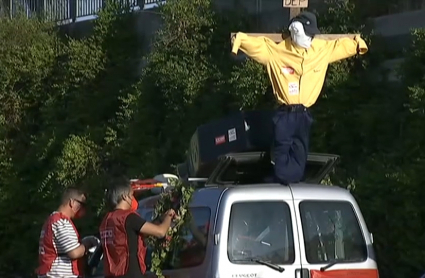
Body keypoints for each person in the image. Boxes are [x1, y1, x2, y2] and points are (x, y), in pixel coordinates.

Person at [231, 11, 368, 184]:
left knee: (300, 149)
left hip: (304, 113)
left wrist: (358, 43)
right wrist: (239, 41)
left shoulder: (321, 50)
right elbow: (256, 45)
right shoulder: (277, 52)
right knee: (282, 147)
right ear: (295, 30)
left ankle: (293, 179)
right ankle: (280, 179)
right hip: (285, 113)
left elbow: (341, 46)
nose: (310, 39)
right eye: (307, 34)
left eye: (312, 35)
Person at [99, 178, 176, 278]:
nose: (132, 199)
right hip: (131, 273)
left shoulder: (107, 220)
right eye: (131, 195)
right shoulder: (128, 217)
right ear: (125, 197)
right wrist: (169, 216)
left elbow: (143, 230)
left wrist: (161, 219)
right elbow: (160, 232)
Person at [36, 187, 99, 278]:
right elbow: (74, 252)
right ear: (72, 203)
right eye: (82, 204)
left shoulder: (52, 220)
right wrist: (88, 243)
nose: (84, 209)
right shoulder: (61, 222)